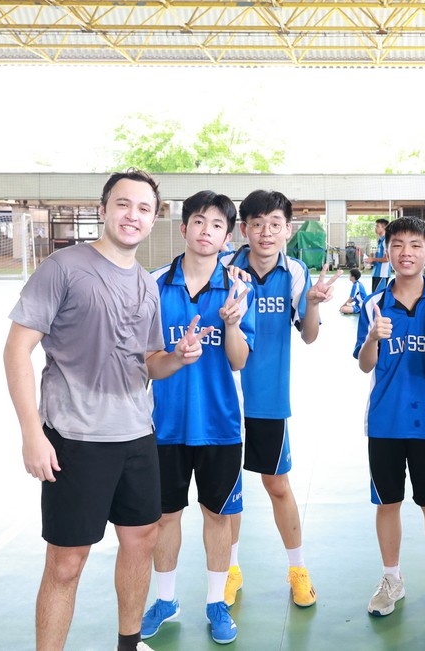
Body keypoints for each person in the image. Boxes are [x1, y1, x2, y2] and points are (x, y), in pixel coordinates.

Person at [3, 169, 173, 651]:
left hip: (137, 435)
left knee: (142, 540)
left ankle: (128, 644)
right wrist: (32, 433)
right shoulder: (63, 267)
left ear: (153, 219)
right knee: (66, 562)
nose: (132, 215)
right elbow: (16, 350)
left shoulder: (147, 284)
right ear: (103, 210)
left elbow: (148, 362)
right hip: (75, 439)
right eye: (123, 204)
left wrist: (177, 358)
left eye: (143, 208)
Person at [141, 190, 256, 646]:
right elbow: (145, 361)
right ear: (184, 227)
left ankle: (215, 602)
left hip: (220, 425)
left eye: (217, 225)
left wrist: (231, 324)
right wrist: (173, 355)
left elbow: (239, 361)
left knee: (217, 516)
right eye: (199, 221)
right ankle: (165, 599)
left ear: (228, 237)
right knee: (164, 517)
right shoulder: (153, 285)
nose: (206, 231)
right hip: (164, 426)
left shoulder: (238, 288)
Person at [218, 189, 339, 610]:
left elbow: (309, 336)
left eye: (275, 224)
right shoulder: (225, 269)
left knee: (277, 484)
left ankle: (298, 569)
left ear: (288, 230)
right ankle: (230, 570)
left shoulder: (295, 272)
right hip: (223, 396)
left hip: (268, 395)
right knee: (227, 489)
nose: (266, 233)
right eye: (257, 224)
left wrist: (311, 304)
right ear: (244, 229)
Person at [354, 216, 425, 618]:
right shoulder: (373, 304)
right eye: (397, 245)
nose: (406, 253)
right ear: (388, 251)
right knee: (388, 503)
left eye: (415, 245)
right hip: (386, 421)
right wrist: (372, 338)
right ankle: (391, 579)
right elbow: (365, 365)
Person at [370, 218, 390, 292]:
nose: (375, 228)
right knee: (374, 295)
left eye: (377, 226)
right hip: (376, 272)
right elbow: (379, 257)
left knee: (379, 296)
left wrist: (373, 259)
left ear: (384, 227)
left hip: (382, 274)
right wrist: (371, 261)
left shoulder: (386, 240)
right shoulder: (380, 241)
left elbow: (387, 259)